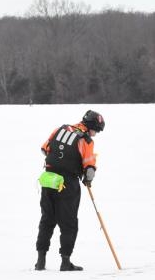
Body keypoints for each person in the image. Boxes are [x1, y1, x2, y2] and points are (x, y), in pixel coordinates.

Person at [35, 110, 104, 271]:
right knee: (69, 223)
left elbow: (45, 149)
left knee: (47, 220)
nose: (95, 134)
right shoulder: (86, 140)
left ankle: (40, 261)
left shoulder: (60, 129)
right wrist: (87, 179)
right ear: (91, 127)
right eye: (97, 130)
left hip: (48, 180)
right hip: (67, 184)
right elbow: (89, 170)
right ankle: (65, 262)